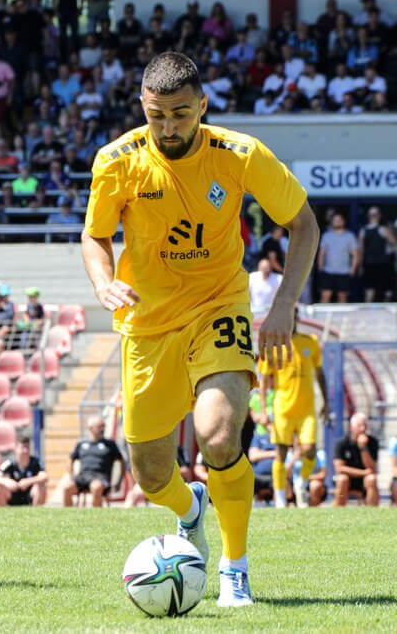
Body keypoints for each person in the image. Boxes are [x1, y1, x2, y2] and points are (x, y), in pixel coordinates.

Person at [81, 52, 318, 607]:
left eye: (181, 115)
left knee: (217, 434)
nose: (168, 128)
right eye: (156, 114)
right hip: (146, 324)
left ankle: (235, 567)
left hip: (219, 305)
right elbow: (95, 236)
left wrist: (283, 305)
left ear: (203, 106)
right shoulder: (116, 160)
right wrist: (101, 283)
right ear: (143, 106)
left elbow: (303, 224)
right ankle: (191, 509)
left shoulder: (240, 154)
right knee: (149, 474)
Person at [258, 309, 327, 508]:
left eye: (293, 317)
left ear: (296, 319)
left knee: (310, 449)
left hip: (306, 409)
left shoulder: (310, 342)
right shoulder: (273, 344)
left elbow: (320, 373)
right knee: (280, 452)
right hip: (283, 409)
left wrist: (326, 401)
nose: (290, 320)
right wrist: (264, 410)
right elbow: (263, 381)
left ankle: (300, 482)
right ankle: (280, 497)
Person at [58, 415, 124, 507]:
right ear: (90, 428)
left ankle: (96, 517)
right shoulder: (82, 444)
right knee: (66, 487)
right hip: (83, 476)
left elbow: (121, 461)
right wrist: (71, 475)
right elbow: (70, 459)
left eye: (103, 426)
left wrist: (119, 481)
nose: (102, 429)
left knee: (95, 487)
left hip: (101, 478)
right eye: (99, 426)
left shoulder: (110, 444)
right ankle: (69, 516)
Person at [333, 412, 379, 507]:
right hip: (349, 479)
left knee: (372, 479)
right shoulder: (342, 443)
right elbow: (340, 468)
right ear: (351, 427)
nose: (363, 429)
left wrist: (363, 448)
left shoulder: (372, 442)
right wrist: (363, 472)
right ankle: (338, 511)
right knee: (342, 479)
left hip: (364, 480)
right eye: (359, 426)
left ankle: (373, 513)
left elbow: (371, 468)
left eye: (365, 425)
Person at [126, 447, 194, 507]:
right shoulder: (150, 451)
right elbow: (135, 472)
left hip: (172, 484)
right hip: (151, 483)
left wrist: (164, 473)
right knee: (132, 495)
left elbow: (186, 471)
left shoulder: (179, 451)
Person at [0, 436, 48, 506]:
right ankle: (2, 512)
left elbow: (44, 476)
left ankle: (36, 512)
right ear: (16, 449)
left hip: (29, 495)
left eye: (27, 447)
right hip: (13, 495)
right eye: (22, 447)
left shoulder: (36, 462)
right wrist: (6, 481)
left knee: (41, 487)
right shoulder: (9, 462)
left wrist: (28, 481)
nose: (25, 450)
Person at [358, 206, 397, 303]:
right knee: (369, 290)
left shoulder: (383, 229)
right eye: (371, 215)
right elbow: (361, 250)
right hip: (369, 264)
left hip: (383, 264)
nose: (373, 217)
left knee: (383, 289)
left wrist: (389, 233)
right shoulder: (363, 231)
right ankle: (367, 312)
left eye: (375, 214)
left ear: (379, 216)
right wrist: (360, 265)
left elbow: (395, 243)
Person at [318, 213, 358, 303]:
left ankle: (342, 317)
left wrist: (352, 269)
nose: (338, 222)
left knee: (342, 296)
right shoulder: (326, 236)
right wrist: (321, 268)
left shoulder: (349, 236)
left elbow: (355, 254)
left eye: (339, 220)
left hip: (344, 271)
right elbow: (322, 253)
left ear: (343, 221)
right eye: (335, 220)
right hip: (328, 271)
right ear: (332, 222)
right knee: (325, 295)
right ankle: (321, 317)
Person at [246, 428, 278, 504]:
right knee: (246, 479)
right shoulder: (259, 437)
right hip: (257, 476)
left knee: (282, 481)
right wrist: (273, 453)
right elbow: (253, 456)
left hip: (275, 476)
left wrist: (261, 452)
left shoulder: (282, 439)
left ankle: (279, 504)